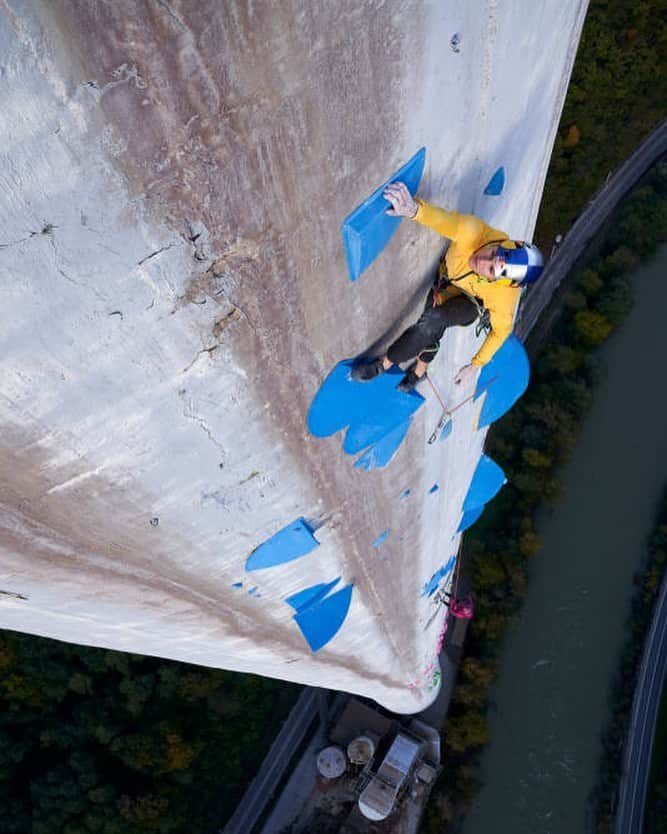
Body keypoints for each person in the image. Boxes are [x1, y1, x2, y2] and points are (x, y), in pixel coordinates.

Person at [351, 181, 544, 392]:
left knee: (433, 320)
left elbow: (501, 331)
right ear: (502, 243)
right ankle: (419, 373)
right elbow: (446, 221)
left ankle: (383, 364)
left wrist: (475, 365)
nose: (482, 262)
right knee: (430, 327)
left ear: (501, 282)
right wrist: (414, 210)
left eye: (490, 271)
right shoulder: (475, 232)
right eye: (492, 254)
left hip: (469, 303)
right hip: (446, 282)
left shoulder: (503, 297)